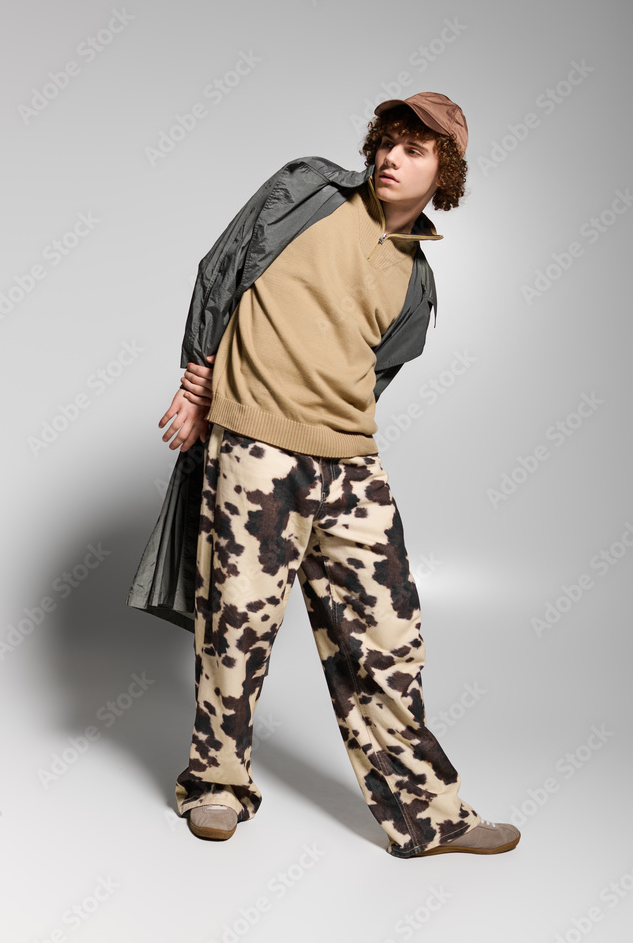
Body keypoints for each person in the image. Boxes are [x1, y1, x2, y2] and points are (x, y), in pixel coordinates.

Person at [126, 92, 521, 858]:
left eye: (414, 150)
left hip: (349, 465)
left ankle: (429, 815)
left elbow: (374, 376)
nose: (391, 157)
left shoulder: (417, 283)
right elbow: (220, 271)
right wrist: (198, 381)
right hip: (253, 449)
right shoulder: (304, 189)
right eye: (387, 141)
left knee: (389, 642)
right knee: (236, 625)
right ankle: (215, 785)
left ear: (444, 173)